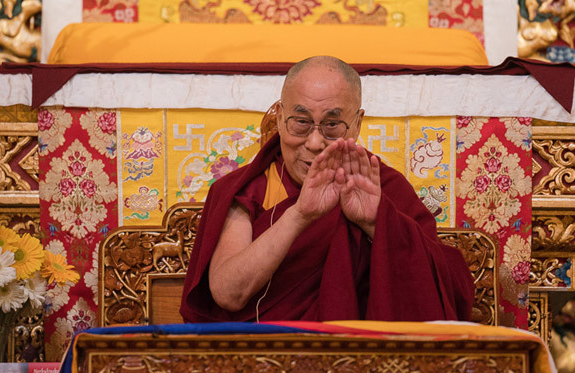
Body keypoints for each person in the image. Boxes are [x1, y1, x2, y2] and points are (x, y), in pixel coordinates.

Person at [180, 56, 474, 323]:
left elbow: (442, 289)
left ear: (357, 124)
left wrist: (376, 223)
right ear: (281, 118)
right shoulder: (248, 188)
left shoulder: (383, 188)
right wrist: (299, 215)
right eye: (302, 122)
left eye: (332, 125)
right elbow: (228, 294)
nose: (315, 142)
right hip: (264, 360)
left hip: (358, 365)